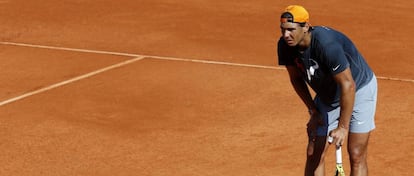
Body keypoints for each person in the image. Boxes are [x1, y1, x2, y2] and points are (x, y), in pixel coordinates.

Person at [277, 5, 378, 176]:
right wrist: (313, 110)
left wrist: (343, 127)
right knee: (314, 152)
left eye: (291, 30)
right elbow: (295, 78)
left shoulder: (326, 45)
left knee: (356, 154)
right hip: (328, 96)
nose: (286, 35)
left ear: (306, 27)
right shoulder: (285, 46)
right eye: (283, 30)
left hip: (358, 89)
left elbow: (348, 85)